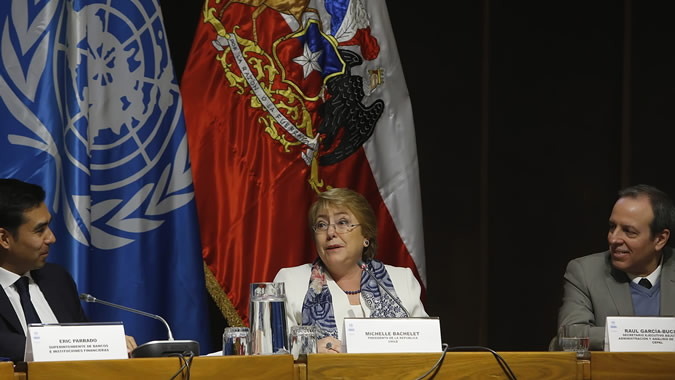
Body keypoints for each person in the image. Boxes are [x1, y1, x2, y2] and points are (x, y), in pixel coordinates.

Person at [274, 188, 427, 353]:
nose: (330, 233)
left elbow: (428, 350)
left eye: (342, 222)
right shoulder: (290, 282)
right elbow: (272, 353)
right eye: (321, 225)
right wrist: (308, 350)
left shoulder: (402, 280)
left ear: (366, 235)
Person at [0, 179, 136, 361]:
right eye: (40, 230)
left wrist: (110, 344)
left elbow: (84, 343)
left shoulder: (56, 279)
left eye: (49, 226)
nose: (52, 238)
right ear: (4, 239)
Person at [555, 184, 675, 350]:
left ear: (660, 239)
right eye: (612, 227)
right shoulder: (585, 272)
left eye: (629, 231)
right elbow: (570, 335)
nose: (613, 239)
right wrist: (646, 336)